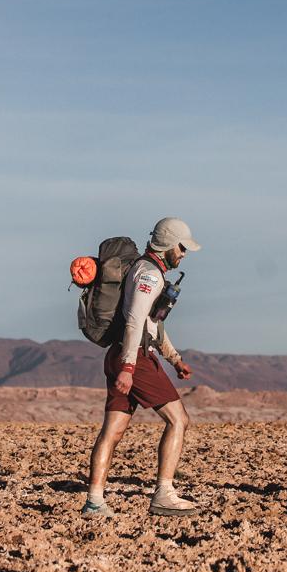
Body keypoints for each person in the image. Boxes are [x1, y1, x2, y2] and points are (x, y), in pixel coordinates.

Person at [82, 217, 202, 518]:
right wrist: (129, 367)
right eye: (182, 248)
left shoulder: (144, 270)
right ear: (168, 244)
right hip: (134, 356)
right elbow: (136, 320)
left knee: (113, 430)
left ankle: (94, 502)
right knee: (178, 420)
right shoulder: (149, 275)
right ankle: (164, 494)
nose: (184, 254)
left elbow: (153, 323)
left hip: (121, 354)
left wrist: (174, 359)